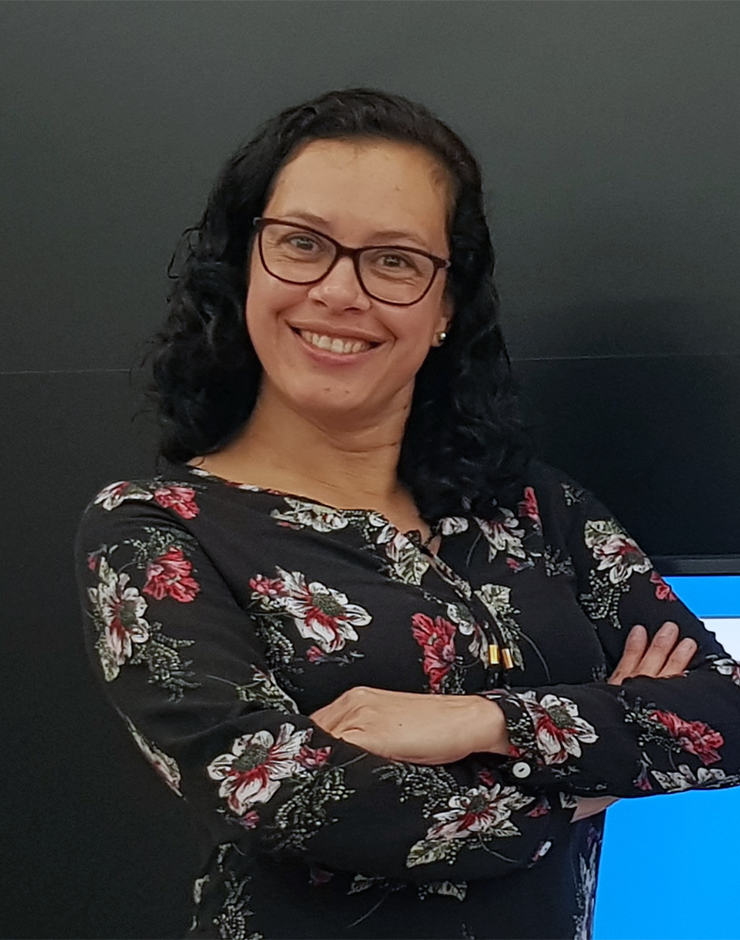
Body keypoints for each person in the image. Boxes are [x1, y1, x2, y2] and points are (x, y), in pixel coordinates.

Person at [75, 88, 740, 940]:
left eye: (392, 260)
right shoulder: (156, 531)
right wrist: (602, 760)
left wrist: (483, 721)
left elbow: (725, 715)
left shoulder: (534, 507)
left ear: (446, 307)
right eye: (303, 244)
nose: (339, 291)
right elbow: (285, 794)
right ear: (245, 265)